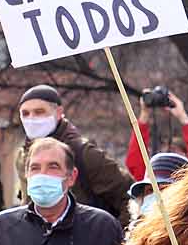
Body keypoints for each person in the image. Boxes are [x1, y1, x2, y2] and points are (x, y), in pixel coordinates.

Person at [15, 84, 133, 225]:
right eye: (25, 114)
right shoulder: (22, 157)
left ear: (58, 113)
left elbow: (132, 196)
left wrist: (114, 239)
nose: (32, 119)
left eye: (39, 112)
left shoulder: (84, 153)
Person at [124, 88, 188, 181]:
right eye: (167, 153)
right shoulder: (150, 183)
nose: (169, 160)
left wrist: (183, 117)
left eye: (176, 154)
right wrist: (144, 115)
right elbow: (135, 162)